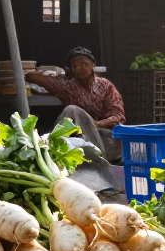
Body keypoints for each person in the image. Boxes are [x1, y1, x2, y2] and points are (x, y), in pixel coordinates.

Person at [26, 47, 126, 192]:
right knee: (70, 112)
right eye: (76, 65)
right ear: (71, 69)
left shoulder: (105, 85)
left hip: (105, 140)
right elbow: (33, 77)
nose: (81, 68)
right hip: (81, 142)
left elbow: (118, 116)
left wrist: (95, 124)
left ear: (93, 65)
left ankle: (99, 164)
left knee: (74, 111)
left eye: (85, 64)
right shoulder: (67, 87)